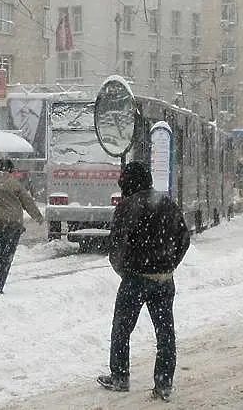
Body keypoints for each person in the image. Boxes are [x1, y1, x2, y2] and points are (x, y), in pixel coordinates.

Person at [97, 161, 190, 402]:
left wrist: (125, 270)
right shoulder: (167, 203)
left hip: (135, 279)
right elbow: (184, 238)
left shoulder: (127, 207)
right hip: (163, 279)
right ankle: (164, 384)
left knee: (122, 329)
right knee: (165, 332)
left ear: (128, 182)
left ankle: (119, 376)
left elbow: (116, 246)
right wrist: (169, 265)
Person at [0, 158, 44, 295]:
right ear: (10, 170)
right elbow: (27, 201)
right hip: (11, 222)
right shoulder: (15, 183)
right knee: (7, 255)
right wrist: (38, 216)